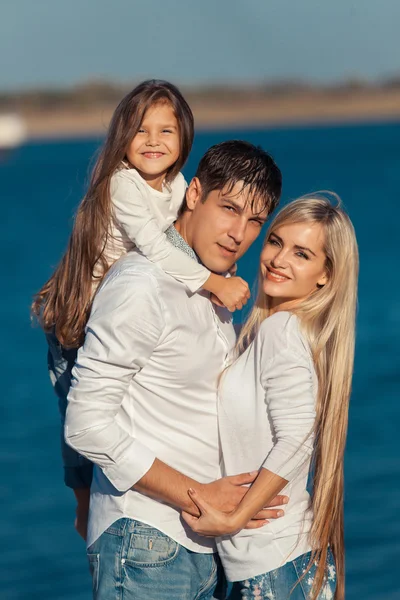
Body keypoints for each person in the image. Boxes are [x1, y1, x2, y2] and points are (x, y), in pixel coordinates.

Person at [64, 140, 284, 599]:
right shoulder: (143, 285)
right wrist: (198, 495)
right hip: (146, 541)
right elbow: (85, 425)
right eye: (228, 208)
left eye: (255, 221)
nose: (239, 232)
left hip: (202, 546)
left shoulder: (213, 293)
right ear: (194, 193)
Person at [31, 80, 251, 531]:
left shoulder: (178, 186)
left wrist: (217, 275)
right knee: (77, 411)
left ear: (184, 139)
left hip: (116, 314)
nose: (153, 141)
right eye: (141, 130)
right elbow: (156, 245)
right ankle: (82, 500)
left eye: (166, 131)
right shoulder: (121, 185)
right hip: (78, 316)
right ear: (122, 138)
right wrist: (213, 282)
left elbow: (185, 238)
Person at [182, 196, 358, 600]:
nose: (279, 259)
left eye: (302, 253)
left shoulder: (282, 332)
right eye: (276, 242)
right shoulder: (281, 332)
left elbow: (297, 439)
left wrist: (234, 518)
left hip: (274, 564)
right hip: (281, 562)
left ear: (325, 276)